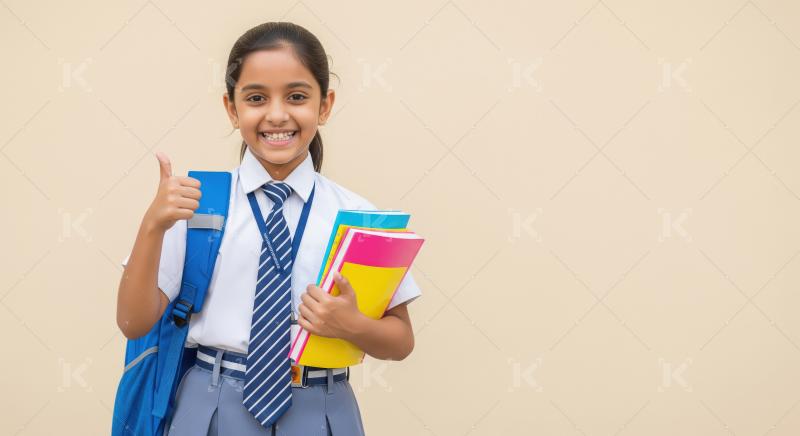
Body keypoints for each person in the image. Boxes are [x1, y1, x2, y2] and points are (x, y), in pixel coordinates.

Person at [116, 21, 422, 436]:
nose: (277, 115)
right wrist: (152, 224)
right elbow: (133, 322)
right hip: (211, 407)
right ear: (231, 107)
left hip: (323, 409)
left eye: (297, 97)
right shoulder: (195, 203)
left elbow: (401, 341)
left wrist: (353, 325)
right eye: (256, 98)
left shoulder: (357, 216)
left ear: (325, 105)